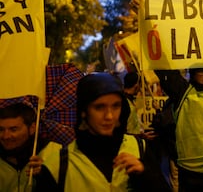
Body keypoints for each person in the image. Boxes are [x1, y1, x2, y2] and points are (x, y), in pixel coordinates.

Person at [36, 72, 170, 191]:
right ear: (84, 111)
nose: (109, 116)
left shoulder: (139, 148)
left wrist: (144, 175)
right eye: (99, 107)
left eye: (116, 106)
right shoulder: (58, 166)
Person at [0, 102, 62, 192]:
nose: (6, 136)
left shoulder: (54, 153)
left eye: (13, 129)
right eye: (1, 129)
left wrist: (49, 175)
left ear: (32, 128)